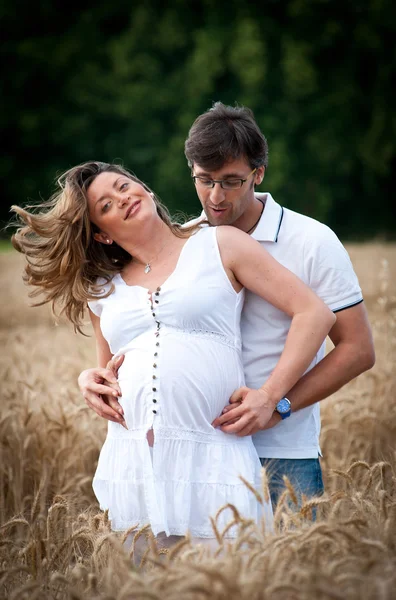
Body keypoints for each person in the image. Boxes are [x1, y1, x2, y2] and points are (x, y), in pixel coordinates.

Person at [12, 161, 334, 541]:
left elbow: (313, 313)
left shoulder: (219, 245)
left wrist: (270, 396)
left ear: (145, 189)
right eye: (106, 206)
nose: (122, 198)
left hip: (216, 459)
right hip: (136, 468)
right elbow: (109, 377)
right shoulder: (102, 289)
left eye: (123, 186)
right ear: (101, 236)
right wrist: (88, 380)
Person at [78, 103, 375, 508]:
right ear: (191, 171)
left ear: (259, 173)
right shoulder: (180, 243)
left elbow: (358, 349)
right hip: (197, 455)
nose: (216, 197)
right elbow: (141, 334)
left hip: (282, 451)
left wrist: (276, 403)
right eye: (205, 180)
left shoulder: (312, 240)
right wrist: (91, 377)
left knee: (289, 570)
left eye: (232, 182)